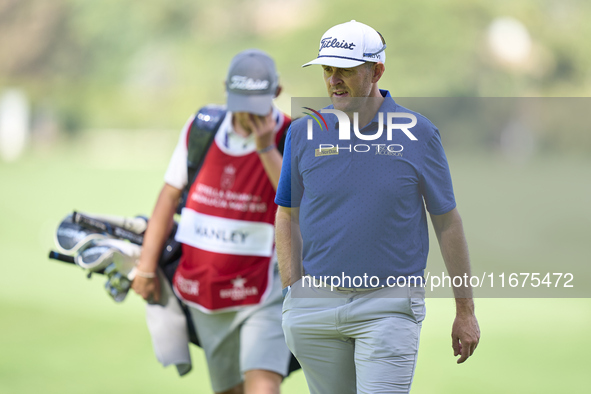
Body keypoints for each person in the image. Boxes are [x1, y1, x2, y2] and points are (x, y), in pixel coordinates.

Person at [274, 20, 480, 393]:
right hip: (314, 307)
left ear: (377, 70)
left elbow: (447, 222)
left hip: (389, 307)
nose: (334, 80)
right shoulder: (302, 133)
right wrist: (292, 291)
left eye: (346, 70)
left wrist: (465, 310)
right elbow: (287, 213)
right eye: (327, 69)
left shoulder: (418, 133)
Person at [132, 49, 293, 394]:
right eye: (240, 99)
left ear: (277, 93)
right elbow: (168, 196)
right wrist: (146, 267)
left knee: (263, 385)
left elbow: (300, 202)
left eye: (257, 100)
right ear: (225, 89)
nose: (248, 110)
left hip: (265, 289)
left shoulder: (291, 136)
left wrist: (265, 148)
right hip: (204, 291)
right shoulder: (201, 128)